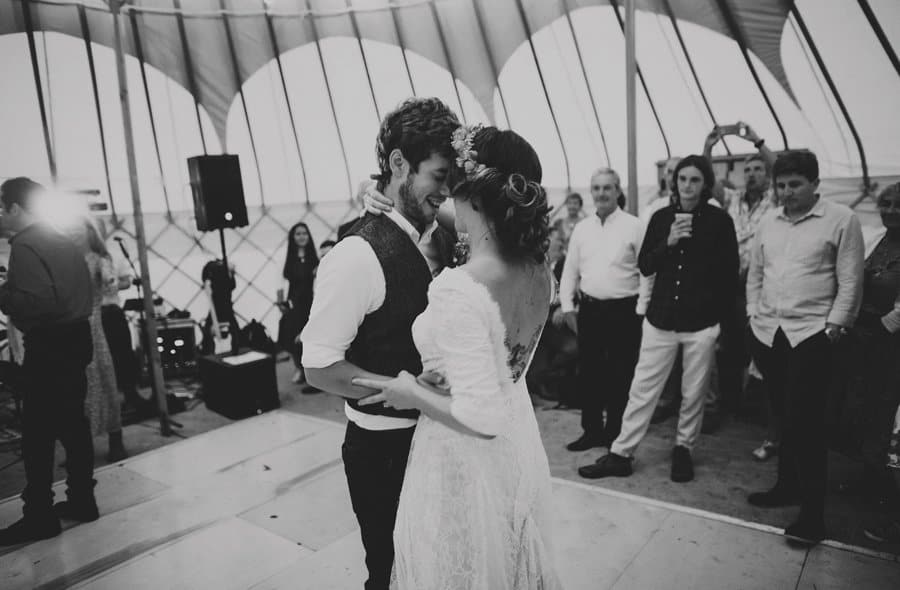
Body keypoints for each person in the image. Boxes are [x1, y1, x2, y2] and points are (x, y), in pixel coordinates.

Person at [353, 124, 562, 589]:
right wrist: (377, 193)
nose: (445, 193)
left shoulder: (460, 285)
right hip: (517, 439)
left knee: (459, 564)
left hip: (461, 452)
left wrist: (409, 390)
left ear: (475, 194)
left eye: (454, 184)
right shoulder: (540, 271)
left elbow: (478, 417)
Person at [301, 97, 461, 590]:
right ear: (398, 164)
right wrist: (404, 388)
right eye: (438, 175)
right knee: (391, 575)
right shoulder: (355, 256)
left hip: (429, 442)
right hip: (383, 452)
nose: (446, 190)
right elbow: (318, 366)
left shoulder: (432, 233)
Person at [579, 155, 739, 483]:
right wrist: (669, 241)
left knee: (694, 392)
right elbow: (646, 266)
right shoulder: (661, 217)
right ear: (673, 183)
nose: (687, 186)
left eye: (695, 180)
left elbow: (728, 275)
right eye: (682, 179)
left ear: (705, 184)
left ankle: (683, 449)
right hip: (661, 319)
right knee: (642, 389)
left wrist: (719, 324)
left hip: (701, 323)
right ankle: (621, 452)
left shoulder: (720, 221)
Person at [746, 151, 864, 545]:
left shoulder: (842, 220)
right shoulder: (769, 222)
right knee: (782, 417)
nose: (786, 192)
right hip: (770, 332)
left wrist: (836, 325)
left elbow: (850, 279)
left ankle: (813, 517)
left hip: (813, 334)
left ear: (816, 183)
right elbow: (756, 274)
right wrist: (752, 315)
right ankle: (786, 487)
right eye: (780, 185)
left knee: (807, 424)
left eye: (794, 184)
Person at [0, 178, 96, 546]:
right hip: (77, 338)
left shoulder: (25, 245)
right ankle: (83, 500)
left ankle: (39, 515)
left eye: (2, 208)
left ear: (16, 209)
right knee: (74, 424)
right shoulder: (62, 240)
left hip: (50, 344)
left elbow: (37, 304)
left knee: (38, 434)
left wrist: (5, 295)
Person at [561, 168, 644, 451]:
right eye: (596, 188)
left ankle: (615, 434)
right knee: (590, 373)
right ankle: (592, 431)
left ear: (618, 190)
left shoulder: (635, 226)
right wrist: (568, 306)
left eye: (607, 188)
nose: (601, 194)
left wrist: (642, 310)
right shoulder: (582, 229)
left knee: (621, 375)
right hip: (591, 311)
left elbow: (647, 274)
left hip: (625, 312)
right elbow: (570, 270)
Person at [846, 183, 900, 542]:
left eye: (899, 205)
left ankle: (878, 481)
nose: (891, 209)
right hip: (865, 336)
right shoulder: (877, 238)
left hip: (890, 340)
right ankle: (867, 474)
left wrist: (882, 328)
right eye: (886, 203)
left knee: (885, 406)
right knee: (864, 403)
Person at [68, 217, 127, 462]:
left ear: (89, 232)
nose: (72, 232)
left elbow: (110, 285)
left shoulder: (99, 259)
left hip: (93, 326)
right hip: (70, 328)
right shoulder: (66, 261)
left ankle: (116, 439)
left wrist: (110, 278)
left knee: (104, 381)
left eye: (77, 229)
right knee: (76, 389)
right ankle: (81, 445)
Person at [278, 222, 319, 386]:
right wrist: (281, 302)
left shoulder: (314, 258)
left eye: (304, 233)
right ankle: (298, 368)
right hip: (294, 303)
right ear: (293, 237)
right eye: (298, 234)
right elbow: (280, 281)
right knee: (291, 336)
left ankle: (311, 372)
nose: (302, 237)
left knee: (308, 338)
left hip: (310, 303)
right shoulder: (288, 257)